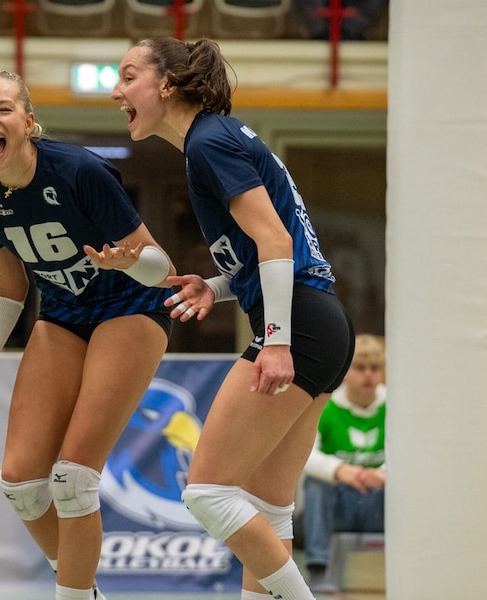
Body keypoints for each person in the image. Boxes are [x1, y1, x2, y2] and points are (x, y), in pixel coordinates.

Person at [111, 38, 355, 600]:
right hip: (321, 322)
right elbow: (268, 251)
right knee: (268, 508)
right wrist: (217, 286)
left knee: (207, 492)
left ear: (166, 85)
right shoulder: (219, 137)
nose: (116, 90)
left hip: (299, 324)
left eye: (128, 76)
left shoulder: (208, 142)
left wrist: (275, 341)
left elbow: (273, 241)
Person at [0, 69, 176, 600]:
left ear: (28, 122)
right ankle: (84, 588)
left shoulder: (79, 172)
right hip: (64, 314)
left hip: (131, 306)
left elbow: (161, 267)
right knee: (23, 486)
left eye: (3, 108)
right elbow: (8, 287)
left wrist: (128, 262)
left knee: (74, 478)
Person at [301, 333, 386, 593]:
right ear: (347, 372)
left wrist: (384, 474)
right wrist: (340, 471)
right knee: (316, 483)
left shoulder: (396, 404)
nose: (368, 375)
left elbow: (414, 454)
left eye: (375, 368)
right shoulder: (326, 406)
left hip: (379, 501)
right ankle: (319, 569)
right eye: (360, 368)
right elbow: (304, 455)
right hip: (338, 505)